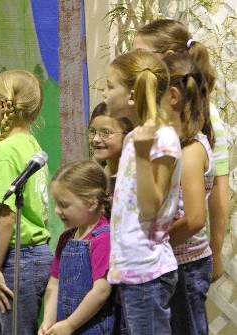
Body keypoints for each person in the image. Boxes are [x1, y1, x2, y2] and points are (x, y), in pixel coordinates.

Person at [133, 19, 229, 283]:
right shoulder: (152, 114)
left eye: (140, 54)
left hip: (182, 257)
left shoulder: (202, 119)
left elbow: (218, 191)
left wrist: (217, 250)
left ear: (169, 57)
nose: (132, 61)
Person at [103, 50, 182, 334]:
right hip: (131, 271)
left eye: (110, 86)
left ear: (132, 96)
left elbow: (151, 208)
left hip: (147, 272)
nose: (104, 92)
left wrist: (143, 153)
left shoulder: (161, 138)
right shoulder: (135, 137)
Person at [0, 69, 53, 335]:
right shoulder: (30, 143)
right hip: (37, 255)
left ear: (2, 105)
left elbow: (5, 216)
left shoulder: (5, 150)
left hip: (18, 258)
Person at [162, 55, 215, 335]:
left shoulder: (191, 150)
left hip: (187, 266)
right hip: (178, 263)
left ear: (172, 96)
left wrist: (155, 246)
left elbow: (194, 219)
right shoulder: (178, 144)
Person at [39, 160, 116, 335]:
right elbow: (54, 283)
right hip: (64, 325)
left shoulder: (103, 237)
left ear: (91, 203)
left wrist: (70, 325)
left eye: (64, 205)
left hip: (92, 328)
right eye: (56, 204)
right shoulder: (66, 238)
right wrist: (49, 320)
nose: (57, 211)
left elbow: (102, 290)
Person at [87, 102, 134, 198]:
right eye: (92, 131)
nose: (96, 139)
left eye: (106, 132)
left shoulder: (136, 180)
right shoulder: (91, 179)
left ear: (128, 135)